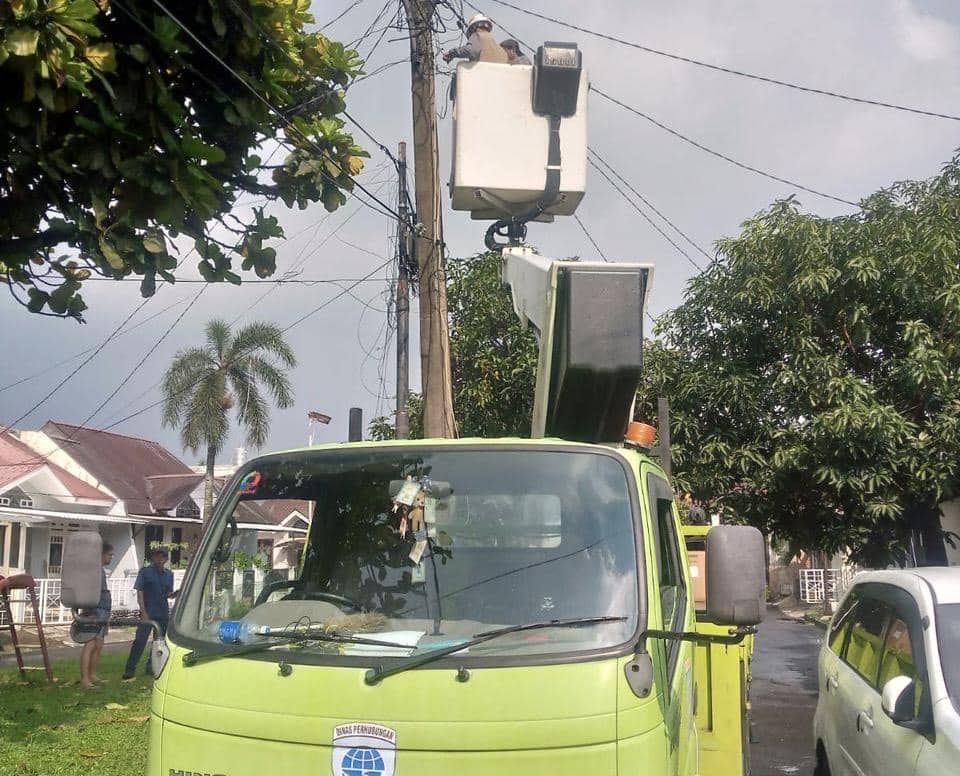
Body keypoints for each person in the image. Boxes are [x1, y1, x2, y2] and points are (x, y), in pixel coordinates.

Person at [122, 546, 175, 680]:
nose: (160, 559)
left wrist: (176, 594)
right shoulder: (145, 572)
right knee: (140, 641)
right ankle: (129, 669)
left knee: (158, 642)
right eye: (157, 555)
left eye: (163, 556)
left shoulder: (169, 574)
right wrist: (143, 611)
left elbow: (168, 593)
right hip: (148, 611)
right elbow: (140, 593)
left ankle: (151, 667)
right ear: (153, 557)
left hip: (162, 612)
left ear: (166, 559)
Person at [80, 542, 113, 689]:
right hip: (95, 611)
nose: (111, 557)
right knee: (91, 644)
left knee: (99, 644)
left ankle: (92, 675)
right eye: (109, 554)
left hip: (102, 611)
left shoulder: (100, 571)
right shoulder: (93, 571)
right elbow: (90, 592)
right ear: (102, 554)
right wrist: (92, 613)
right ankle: (85, 679)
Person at [442, 14, 509, 65]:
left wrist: (452, 53)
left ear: (473, 28)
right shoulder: (498, 47)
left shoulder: (477, 35)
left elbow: (471, 50)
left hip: (482, 76)